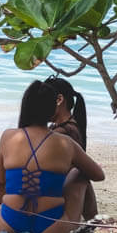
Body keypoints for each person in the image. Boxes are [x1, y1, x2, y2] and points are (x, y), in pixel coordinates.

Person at [0, 80, 104, 233]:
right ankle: (96, 223)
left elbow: (2, 177)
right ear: (53, 108)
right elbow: (99, 175)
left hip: (9, 224)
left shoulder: (8, 136)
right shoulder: (65, 142)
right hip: (52, 226)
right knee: (81, 173)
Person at [44, 75, 98, 220]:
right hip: (57, 196)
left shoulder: (62, 133)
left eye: (42, 101)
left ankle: (93, 221)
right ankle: (93, 221)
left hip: (53, 202)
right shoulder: (67, 128)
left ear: (59, 100)